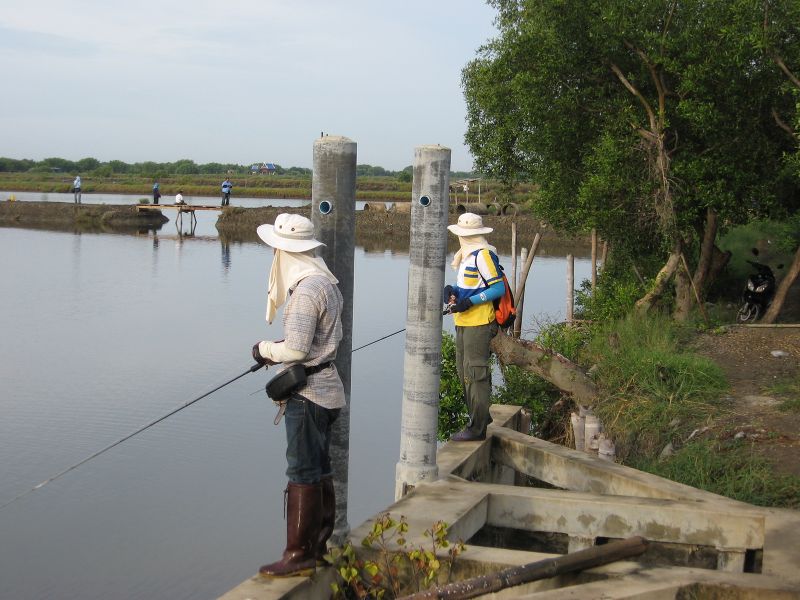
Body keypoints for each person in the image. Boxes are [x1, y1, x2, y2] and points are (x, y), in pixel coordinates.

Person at [252, 213, 345, 578]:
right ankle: (318, 547)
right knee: (319, 470)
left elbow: (296, 349)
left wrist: (264, 349)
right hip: (328, 392)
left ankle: (297, 554)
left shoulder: (306, 291)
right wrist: (279, 347)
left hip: (308, 396)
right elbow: (312, 341)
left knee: (302, 472)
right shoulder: (326, 284)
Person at [443, 212, 505, 442]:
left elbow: (497, 289)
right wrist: (452, 293)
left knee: (475, 374)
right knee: (464, 373)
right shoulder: (466, 256)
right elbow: (469, 287)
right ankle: (479, 418)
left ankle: (477, 429)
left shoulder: (483, 255)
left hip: (479, 323)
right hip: (463, 322)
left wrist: (470, 302)